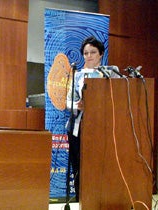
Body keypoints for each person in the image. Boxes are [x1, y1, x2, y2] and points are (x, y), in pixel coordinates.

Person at [66, 36, 105, 201]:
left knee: (98, 166)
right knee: (79, 165)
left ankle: (98, 198)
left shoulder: (109, 74)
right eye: (86, 53)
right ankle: (80, 199)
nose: (89, 56)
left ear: (101, 54)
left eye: (93, 52)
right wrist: (76, 105)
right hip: (78, 128)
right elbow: (67, 101)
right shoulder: (76, 75)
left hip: (102, 128)